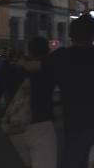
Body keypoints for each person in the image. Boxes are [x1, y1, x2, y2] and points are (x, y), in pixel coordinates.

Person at [43, 14, 94, 168]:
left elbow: (43, 75)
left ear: (71, 35)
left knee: (75, 161)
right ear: (93, 35)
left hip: (75, 121)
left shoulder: (60, 57)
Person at [7, 37, 57, 168]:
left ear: (29, 51)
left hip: (16, 125)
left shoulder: (15, 69)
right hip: (41, 122)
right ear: (47, 51)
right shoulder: (48, 69)